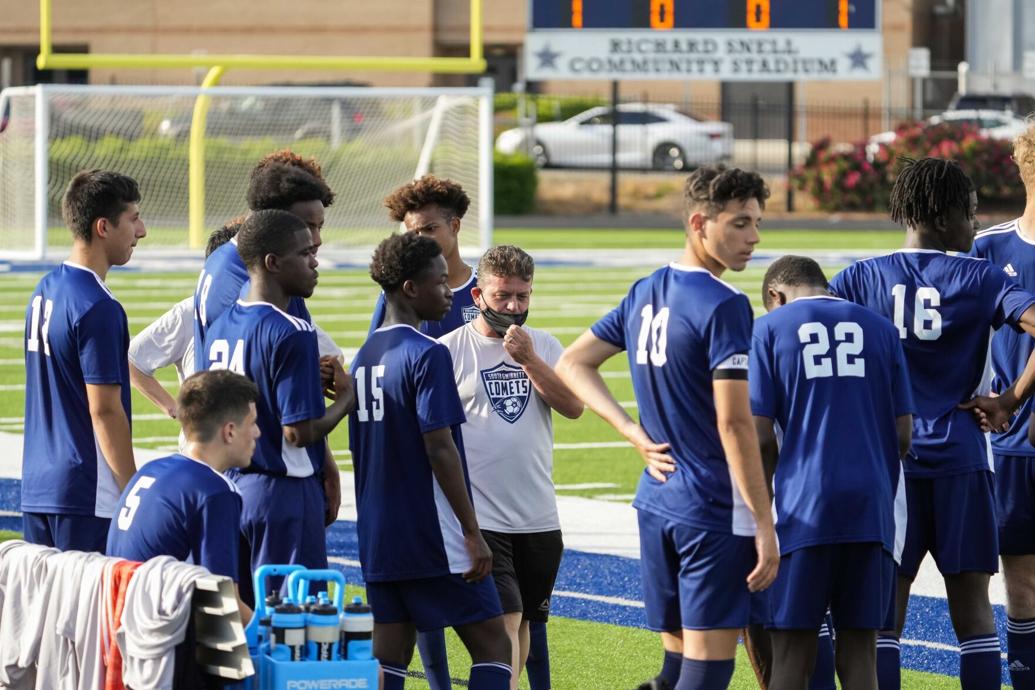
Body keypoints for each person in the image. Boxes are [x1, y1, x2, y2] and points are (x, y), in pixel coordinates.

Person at [556, 166, 779, 690]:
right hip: (711, 510)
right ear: (700, 222)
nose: (754, 237)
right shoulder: (725, 305)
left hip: (657, 500)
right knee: (707, 670)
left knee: (676, 666)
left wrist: (632, 434)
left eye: (758, 223)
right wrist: (765, 523)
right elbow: (734, 423)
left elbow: (573, 362)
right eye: (741, 223)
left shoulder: (646, 289)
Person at [829, 157, 1035, 690]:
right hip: (962, 460)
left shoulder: (858, 277)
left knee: (885, 614)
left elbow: (803, 329)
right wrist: (1009, 399)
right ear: (945, 219)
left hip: (887, 465)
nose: (976, 223)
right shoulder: (982, 277)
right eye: (970, 213)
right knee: (973, 615)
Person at [349, 232, 512, 690]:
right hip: (431, 532)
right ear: (409, 289)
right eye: (440, 283)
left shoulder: (365, 355)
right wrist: (473, 532)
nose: (448, 292)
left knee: (391, 653)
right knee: (493, 646)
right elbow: (439, 447)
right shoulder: (427, 353)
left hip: (378, 534)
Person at [750, 256, 914, 690]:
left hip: (804, 508)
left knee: (792, 654)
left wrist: (760, 512)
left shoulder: (768, 329)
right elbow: (903, 433)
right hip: (871, 508)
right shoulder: (880, 328)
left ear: (775, 295)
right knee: (860, 655)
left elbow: (761, 436)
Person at [439, 245, 583, 689]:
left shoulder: (544, 345)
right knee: (504, 624)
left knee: (522, 628)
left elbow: (574, 406)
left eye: (523, 297)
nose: (514, 307)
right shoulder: (448, 350)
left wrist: (529, 359)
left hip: (538, 515)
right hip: (483, 519)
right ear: (479, 294)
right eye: (504, 297)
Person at [204, 209, 354, 605]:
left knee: (238, 620)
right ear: (272, 263)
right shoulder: (292, 330)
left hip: (227, 487)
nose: (315, 261)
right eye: (304, 254)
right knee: (294, 628)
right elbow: (298, 431)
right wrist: (346, 401)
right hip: (281, 493)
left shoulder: (219, 326)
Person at [193, 150, 343, 530]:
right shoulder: (245, 278)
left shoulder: (233, 264)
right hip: (262, 466)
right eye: (307, 226)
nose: (316, 241)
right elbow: (271, 380)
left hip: (247, 461)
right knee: (285, 590)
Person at [21, 170, 147, 551]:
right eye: (133, 219)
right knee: (87, 611)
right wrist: (131, 490)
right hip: (85, 490)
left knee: (44, 609)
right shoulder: (99, 307)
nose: (141, 231)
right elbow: (105, 411)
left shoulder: (45, 288)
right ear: (103, 226)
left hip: (38, 483)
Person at [131, 220, 344, 424]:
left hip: (257, 433)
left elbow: (331, 357)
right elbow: (133, 360)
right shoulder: (189, 311)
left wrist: (314, 371)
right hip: (220, 436)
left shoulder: (279, 314)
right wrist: (174, 408)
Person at [106, 369, 260, 623]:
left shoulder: (151, 469)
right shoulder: (215, 491)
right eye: (252, 423)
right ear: (229, 431)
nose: (257, 433)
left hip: (115, 625)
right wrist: (274, 636)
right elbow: (222, 602)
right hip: (153, 637)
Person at [966, 124, 1035, 690]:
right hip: (1010, 444)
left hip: (1013, 419)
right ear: (1019, 163)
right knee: (1021, 577)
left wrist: (1013, 396)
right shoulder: (988, 248)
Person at [370, 175, 479, 338]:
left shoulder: (487, 288)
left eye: (430, 229)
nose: (420, 239)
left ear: (455, 226)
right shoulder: (399, 291)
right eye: (413, 233)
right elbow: (377, 352)